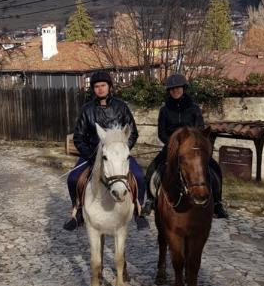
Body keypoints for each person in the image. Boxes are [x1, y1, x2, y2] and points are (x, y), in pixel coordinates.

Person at [64, 70, 148, 231]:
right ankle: (78, 211)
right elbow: (78, 137)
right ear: (93, 89)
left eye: (103, 85)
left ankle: (139, 211)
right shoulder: (86, 110)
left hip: (118, 156)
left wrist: (121, 151)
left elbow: (133, 132)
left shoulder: (121, 107)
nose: (100, 89)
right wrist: (90, 154)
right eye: (96, 86)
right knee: (73, 178)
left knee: (139, 176)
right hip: (92, 154)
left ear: (109, 86)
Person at [143, 73, 229, 219]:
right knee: (152, 168)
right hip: (172, 146)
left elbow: (200, 129)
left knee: (215, 168)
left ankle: (217, 203)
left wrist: (191, 144)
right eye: (172, 89)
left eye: (178, 88)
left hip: (192, 148)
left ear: (183, 89)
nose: (175, 91)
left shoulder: (194, 108)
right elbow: (161, 133)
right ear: (169, 91)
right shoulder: (164, 110)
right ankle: (150, 200)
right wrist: (173, 145)